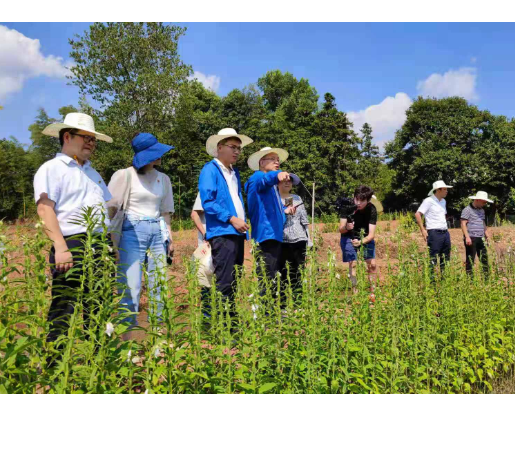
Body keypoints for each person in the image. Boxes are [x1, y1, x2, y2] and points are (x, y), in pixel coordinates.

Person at [34, 113, 113, 350]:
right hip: (71, 244)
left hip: (100, 244)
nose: (91, 142)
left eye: (93, 139)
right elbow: (45, 209)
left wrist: (111, 248)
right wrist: (60, 247)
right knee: (64, 307)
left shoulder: (93, 173)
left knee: (98, 305)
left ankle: (97, 363)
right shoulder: (52, 169)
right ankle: (55, 369)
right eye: (86, 137)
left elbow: (104, 211)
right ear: (67, 136)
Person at [107, 133, 175, 327]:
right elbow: (111, 210)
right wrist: (112, 242)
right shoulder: (125, 175)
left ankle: (158, 340)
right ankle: (128, 345)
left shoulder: (164, 179)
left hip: (157, 233)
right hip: (131, 231)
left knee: (159, 286)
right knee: (130, 286)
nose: (160, 154)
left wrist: (170, 238)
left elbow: (165, 212)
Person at [198, 128, 253, 319]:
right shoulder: (210, 170)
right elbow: (208, 202)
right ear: (219, 147)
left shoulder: (234, 172)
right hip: (223, 232)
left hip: (236, 233)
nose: (237, 151)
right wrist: (231, 218)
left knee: (234, 278)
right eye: (233, 147)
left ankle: (228, 320)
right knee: (225, 280)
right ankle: (225, 325)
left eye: (239, 148)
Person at [245, 147, 296, 290]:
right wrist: (278, 174)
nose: (277, 162)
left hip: (274, 235)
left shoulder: (272, 187)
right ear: (262, 162)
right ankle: (266, 311)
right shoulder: (257, 177)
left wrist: (285, 210)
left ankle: (271, 310)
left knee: (273, 276)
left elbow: (273, 203)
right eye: (272, 159)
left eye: (278, 160)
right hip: (266, 236)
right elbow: (266, 179)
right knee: (268, 278)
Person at [338, 186, 378, 296]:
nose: (358, 203)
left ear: (368, 200)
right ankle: (355, 292)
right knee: (353, 263)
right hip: (348, 237)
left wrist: (361, 242)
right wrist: (347, 227)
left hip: (364, 237)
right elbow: (340, 229)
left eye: (362, 200)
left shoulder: (372, 210)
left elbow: (371, 235)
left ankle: (373, 293)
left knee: (372, 265)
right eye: (357, 199)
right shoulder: (347, 206)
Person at [278, 174, 311, 302]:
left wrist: (309, 239)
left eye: (290, 181)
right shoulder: (274, 199)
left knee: (298, 271)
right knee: (282, 271)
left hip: (299, 239)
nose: (287, 183)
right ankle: (283, 302)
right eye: (284, 181)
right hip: (282, 239)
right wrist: (283, 212)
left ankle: (298, 301)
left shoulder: (297, 198)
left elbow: (304, 220)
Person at [415, 180, 453, 277]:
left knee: (445, 257)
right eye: (445, 189)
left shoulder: (443, 201)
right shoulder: (428, 201)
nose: (446, 191)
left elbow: (442, 215)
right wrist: (423, 230)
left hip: (445, 232)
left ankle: (444, 280)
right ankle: (431, 282)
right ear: (438, 190)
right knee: (434, 258)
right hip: (434, 232)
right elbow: (418, 214)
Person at [461, 191, 492, 277]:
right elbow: (463, 224)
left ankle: (486, 278)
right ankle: (470, 280)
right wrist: (467, 237)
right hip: (471, 237)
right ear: (477, 200)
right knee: (470, 259)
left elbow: (483, 223)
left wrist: (487, 235)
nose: (485, 204)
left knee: (484, 258)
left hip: (481, 237)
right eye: (484, 202)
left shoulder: (482, 210)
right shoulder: (467, 210)